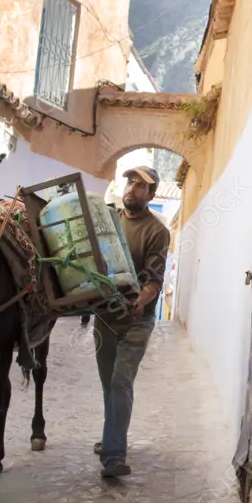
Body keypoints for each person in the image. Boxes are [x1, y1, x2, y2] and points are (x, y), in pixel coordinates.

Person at [93, 166, 170, 477]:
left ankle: (113, 456)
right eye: (130, 182)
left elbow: (154, 279)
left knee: (120, 381)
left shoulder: (157, 231)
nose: (133, 188)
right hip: (105, 316)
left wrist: (143, 299)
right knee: (108, 383)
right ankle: (111, 435)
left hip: (137, 319)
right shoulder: (108, 220)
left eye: (141, 186)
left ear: (151, 196)